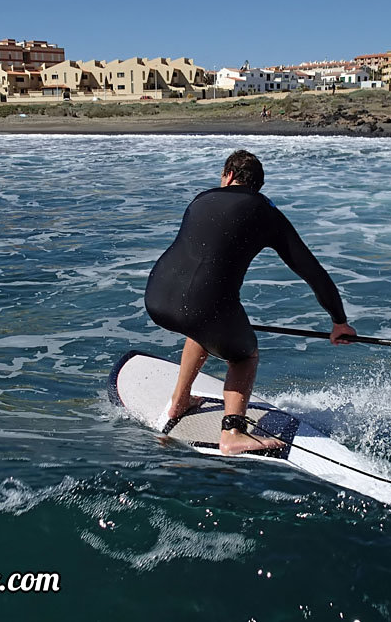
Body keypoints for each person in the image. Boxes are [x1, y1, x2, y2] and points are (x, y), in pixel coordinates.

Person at [145, 150, 357, 455]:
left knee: (203, 326)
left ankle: (179, 402)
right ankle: (232, 433)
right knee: (244, 355)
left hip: (157, 299)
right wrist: (338, 321)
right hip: (205, 308)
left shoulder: (202, 198)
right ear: (255, 185)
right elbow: (312, 271)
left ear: (228, 175)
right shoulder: (265, 211)